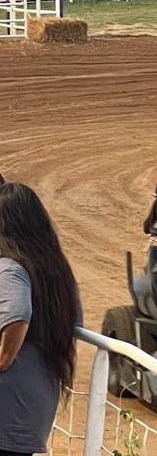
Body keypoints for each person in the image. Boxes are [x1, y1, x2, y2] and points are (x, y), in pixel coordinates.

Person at [0, 183, 82, 456]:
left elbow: (18, 312)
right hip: (33, 410)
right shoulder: (58, 273)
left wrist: (3, 357)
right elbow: (75, 326)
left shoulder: (10, 267)